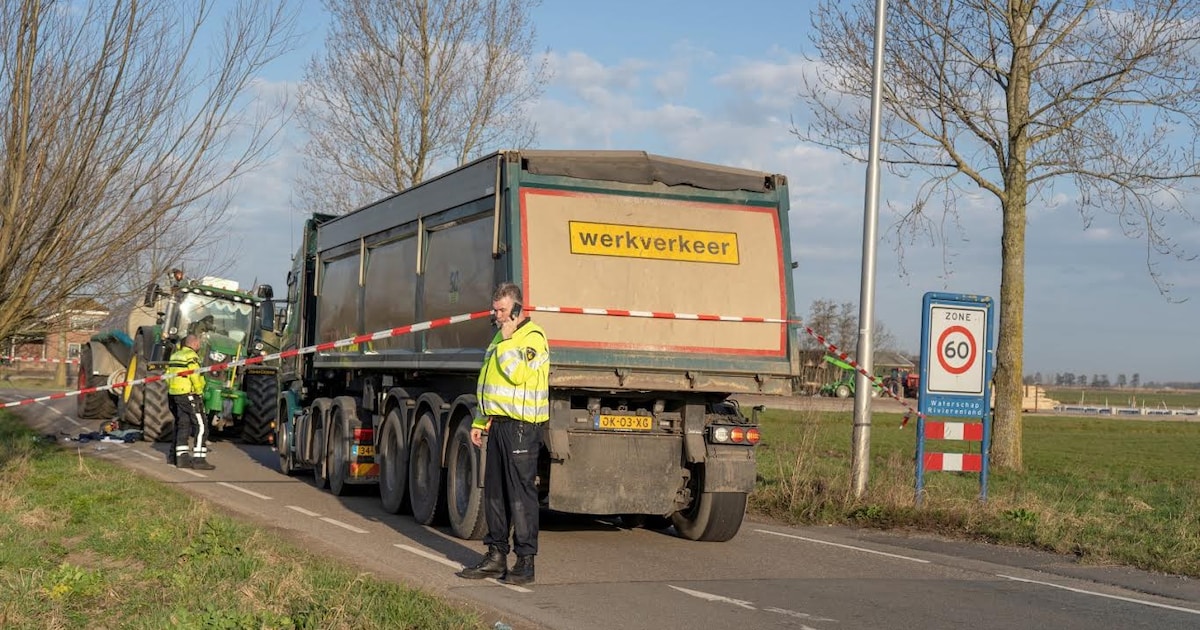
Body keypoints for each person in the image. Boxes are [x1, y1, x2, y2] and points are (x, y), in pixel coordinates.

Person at [457, 282, 550, 586]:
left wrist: (509, 341)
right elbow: (490, 383)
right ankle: (496, 556)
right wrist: (480, 421)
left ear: (518, 310)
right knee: (494, 493)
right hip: (497, 425)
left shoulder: (533, 338)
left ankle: (525, 562)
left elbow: (518, 373)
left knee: (520, 496)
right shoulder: (500, 336)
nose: (495, 315)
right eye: (494, 309)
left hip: (522, 427)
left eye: (502, 310)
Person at [166, 334, 214, 470]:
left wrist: (174, 388)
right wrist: (199, 391)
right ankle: (199, 460)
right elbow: (194, 374)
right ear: (194, 343)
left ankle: (179, 458)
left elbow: (168, 375)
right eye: (199, 343)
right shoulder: (191, 356)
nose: (199, 345)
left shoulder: (176, 355)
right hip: (189, 393)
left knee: (183, 425)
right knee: (201, 426)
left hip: (175, 394)